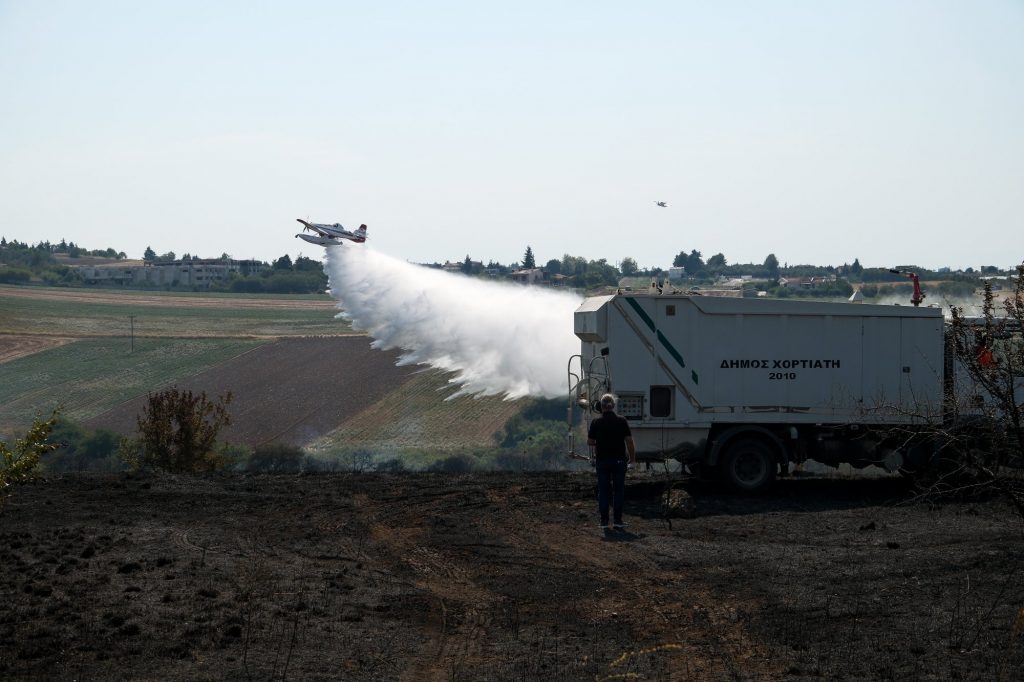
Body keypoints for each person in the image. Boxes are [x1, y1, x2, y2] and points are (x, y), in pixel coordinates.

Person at [587, 393, 637, 530]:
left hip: (602, 461)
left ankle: (604, 521)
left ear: (601, 406)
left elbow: (590, 441)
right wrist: (632, 459)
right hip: (619, 461)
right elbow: (629, 441)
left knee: (603, 491)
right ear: (613, 406)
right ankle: (617, 521)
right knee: (618, 491)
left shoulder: (596, 422)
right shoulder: (622, 421)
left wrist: (600, 441)